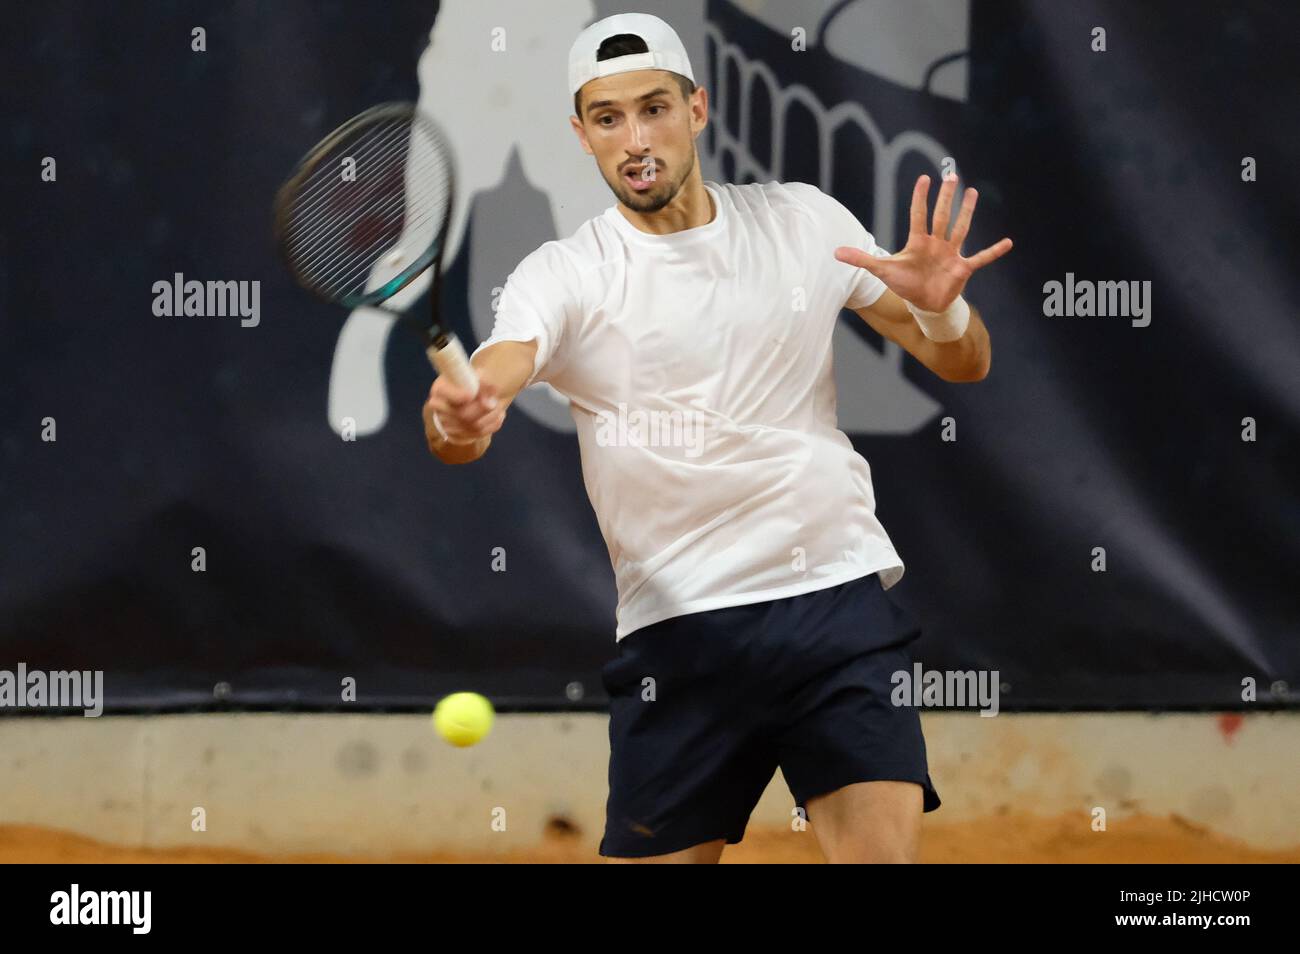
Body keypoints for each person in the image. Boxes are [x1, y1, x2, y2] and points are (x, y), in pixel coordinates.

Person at [423, 12, 1012, 863]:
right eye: (608, 117)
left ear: (697, 109)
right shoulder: (564, 274)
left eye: (654, 108)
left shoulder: (804, 223)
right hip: (679, 636)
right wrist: (457, 416)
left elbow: (963, 362)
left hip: (833, 603)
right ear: (580, 134)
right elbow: (487, 392)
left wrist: (941, 304)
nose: (635, 138)